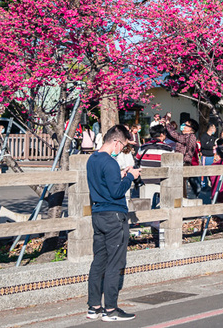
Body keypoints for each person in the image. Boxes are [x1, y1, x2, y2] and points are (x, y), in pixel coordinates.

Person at [86, 125, 141, 322]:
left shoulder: (92, 159)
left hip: (98, 214)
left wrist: (121, 175)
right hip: (114, 215)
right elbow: (117, 192)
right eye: (123, 145)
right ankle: (111, 310)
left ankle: (94, 307)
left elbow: (104, 183)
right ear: (116, 142)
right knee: (114, 262)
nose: (122, 149)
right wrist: (131, 178)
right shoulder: (109, 162)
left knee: (99, 260)